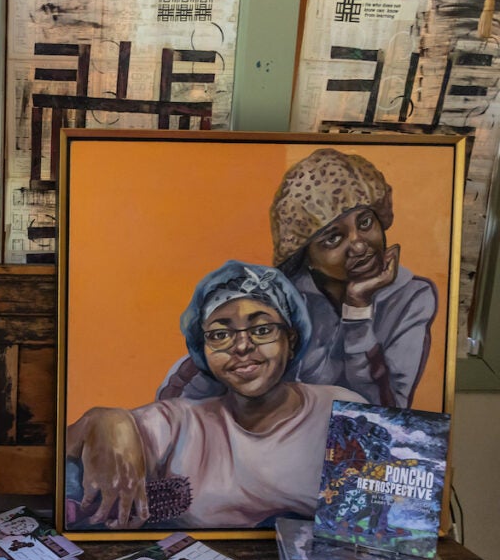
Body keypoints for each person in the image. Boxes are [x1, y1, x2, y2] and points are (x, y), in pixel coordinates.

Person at [66, 261, 366, 530]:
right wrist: (106, 419)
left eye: (261, 329)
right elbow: (64, 458)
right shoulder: (180, 423)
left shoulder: (342, 412)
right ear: (204, 350)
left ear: (290, 338)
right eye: (221, 335)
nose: (242, 346)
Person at [158, 148, 437, 408]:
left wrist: (357, 312)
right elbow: (191, 382)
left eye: (365, 223)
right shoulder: (279, 294)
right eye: (333, 239)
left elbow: (388, 413)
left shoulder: (412, 297)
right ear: (305, 255)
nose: (360, 245)